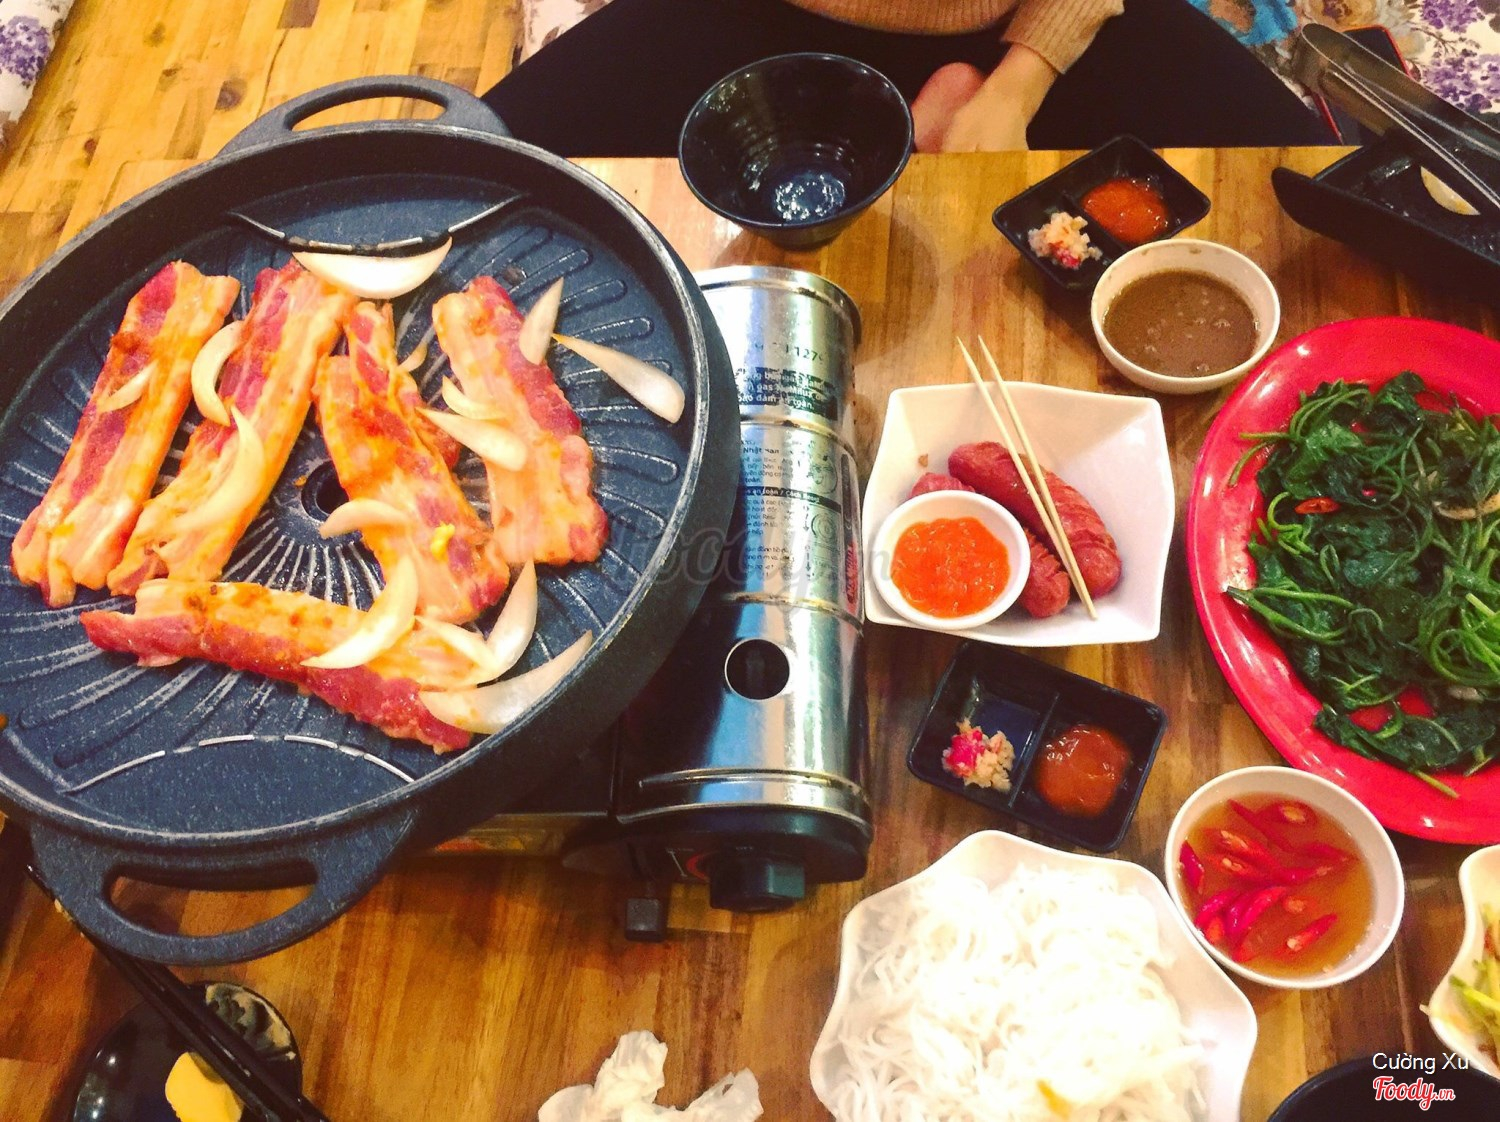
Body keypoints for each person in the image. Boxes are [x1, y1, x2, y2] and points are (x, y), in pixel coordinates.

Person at [482, 0, 1333, 156]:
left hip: (1030, 22)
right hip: (753, 15)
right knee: (475, 169)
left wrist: (1017, 86)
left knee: (1316, 186)